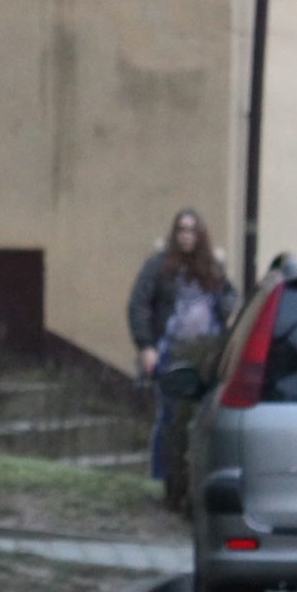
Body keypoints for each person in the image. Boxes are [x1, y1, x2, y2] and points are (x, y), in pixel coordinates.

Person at [126, 208, 235, 485]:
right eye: (182, 230)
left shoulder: (211, 268)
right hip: (170, 353)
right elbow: (139, 305)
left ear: (200, 235)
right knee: (170, 417)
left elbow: (229, 305)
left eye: (192, 230)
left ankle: (194, 480)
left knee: (202, 418)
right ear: (175, 234)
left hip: (206, 355)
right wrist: (146, 346)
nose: (187, 236)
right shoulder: (158, 266)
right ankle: (163, 478)